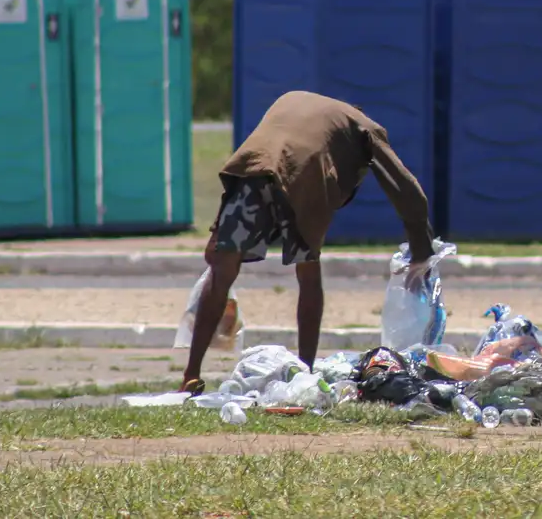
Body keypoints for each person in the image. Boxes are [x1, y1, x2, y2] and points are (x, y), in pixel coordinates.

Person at [179, 90, 434, 395]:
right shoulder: (363, 125)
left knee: (222, 270)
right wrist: (422, 249)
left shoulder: (293, 97)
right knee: (308, 273)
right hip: (306, 177)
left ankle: (190, 376)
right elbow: (404, 186)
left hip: (252, 169)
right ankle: (306, 372)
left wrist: (219, 239)